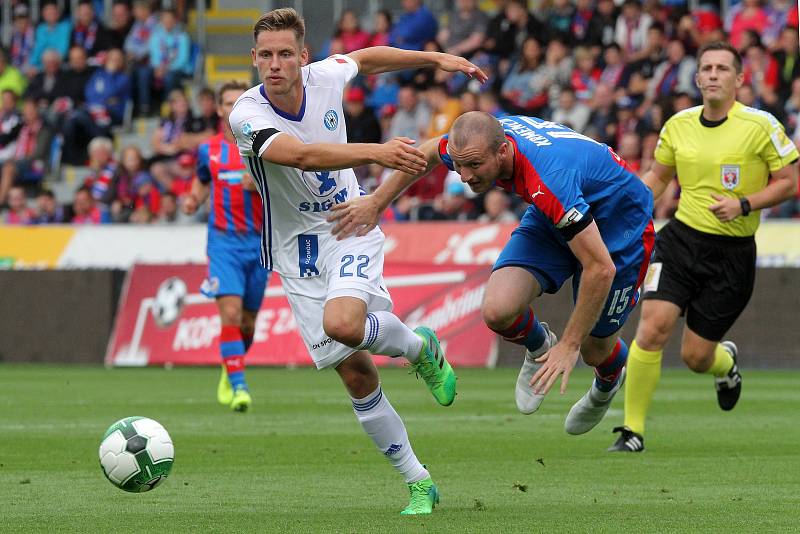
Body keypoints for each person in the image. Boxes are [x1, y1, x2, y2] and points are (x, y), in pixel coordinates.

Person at [228, 8, 486, 515]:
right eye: (265, 55)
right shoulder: (246, 114)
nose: (275, 64)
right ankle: (419, 478)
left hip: (351, 223)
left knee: (344, 323)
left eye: (285, 54)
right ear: (254, 60)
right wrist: (380, 152)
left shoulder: (324, 76)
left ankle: (415, 348)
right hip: (295, 250)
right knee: (357, 377)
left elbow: (365, 59)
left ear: (304, 57)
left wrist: (434, 57)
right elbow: (301, 156)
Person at [329, 111, 655, 439]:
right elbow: (428, 152)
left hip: (620, 226)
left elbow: (600, 268)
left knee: (593, 349)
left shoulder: (549, 178)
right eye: (458, 165)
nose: (465, 176)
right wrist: (377, 202)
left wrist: (570, 345)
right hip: (558, 213)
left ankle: (608, 381)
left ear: (502, 152)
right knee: (498, 310)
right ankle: (539, 347)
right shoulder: (476, 142)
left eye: (473, 166)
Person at [608, 41, 799, 453]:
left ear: (739, 79)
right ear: (697, 79)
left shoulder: (761, 125)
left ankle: (724, 364)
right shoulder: (678, 124)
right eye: (706, 68)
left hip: (732, 253)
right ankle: (632, 431)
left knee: (696, 357)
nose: (713, 74)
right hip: (680, 240)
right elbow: (658, 178)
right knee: (652, 327)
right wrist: (622, 206)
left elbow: (789, 182)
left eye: (722, 68)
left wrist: (744, 203)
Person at [182, 82, 270, 413]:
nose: (234, 108)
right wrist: (194, 199)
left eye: (239, 102)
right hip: (223, 243)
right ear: (219, 109)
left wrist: (260, 184)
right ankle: (239, 386)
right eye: (228, 103)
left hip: (260, 244)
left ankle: (229, 365)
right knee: (230, 314)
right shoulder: (209, 150)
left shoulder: (264, 147)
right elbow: (203, 179)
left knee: (246, 324)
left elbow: (286, 191)